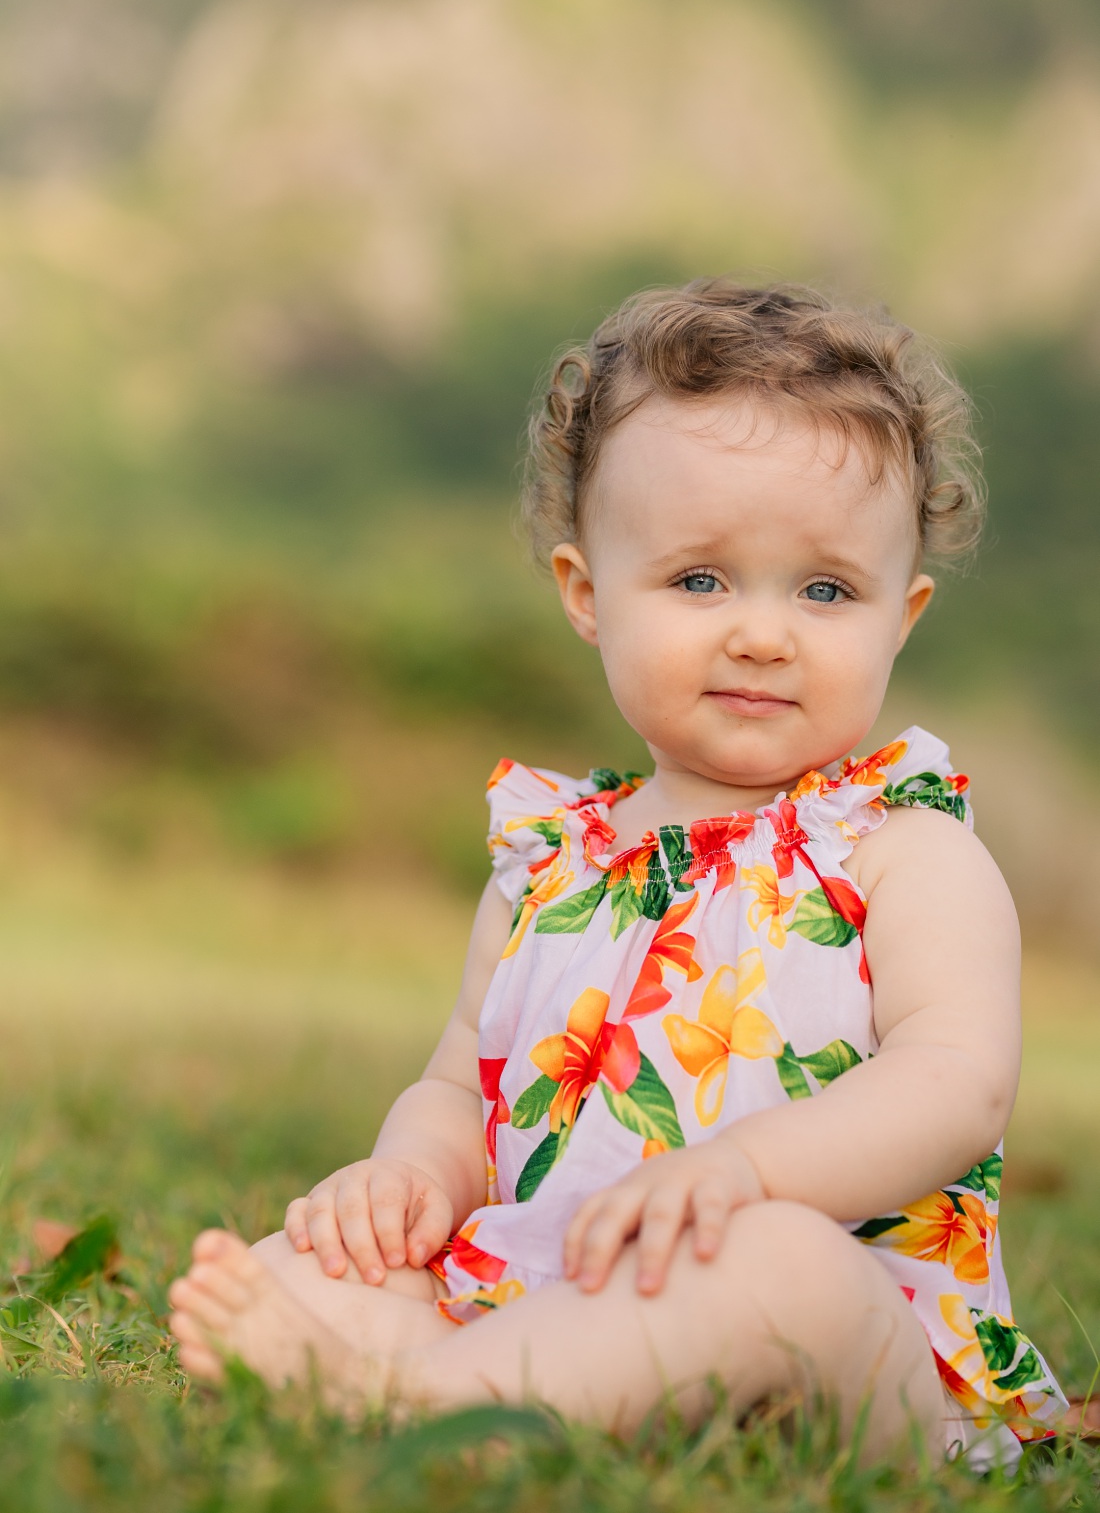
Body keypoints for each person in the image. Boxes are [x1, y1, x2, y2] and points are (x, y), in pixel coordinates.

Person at [169, 279, 1066, 1468]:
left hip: (854, 1350)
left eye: (825, 589)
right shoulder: (547, 862)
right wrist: (404, 1176)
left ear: (899, 618)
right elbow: (460, 1089)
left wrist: (739, 1171)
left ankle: (420, 1401)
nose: (761, 631)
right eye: (699, 579)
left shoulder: (906, 851)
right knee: (308, 1261)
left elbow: (954, 1089)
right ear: (586, 594)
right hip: (568, 1300)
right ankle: (449, 1381)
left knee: (778, 1260)